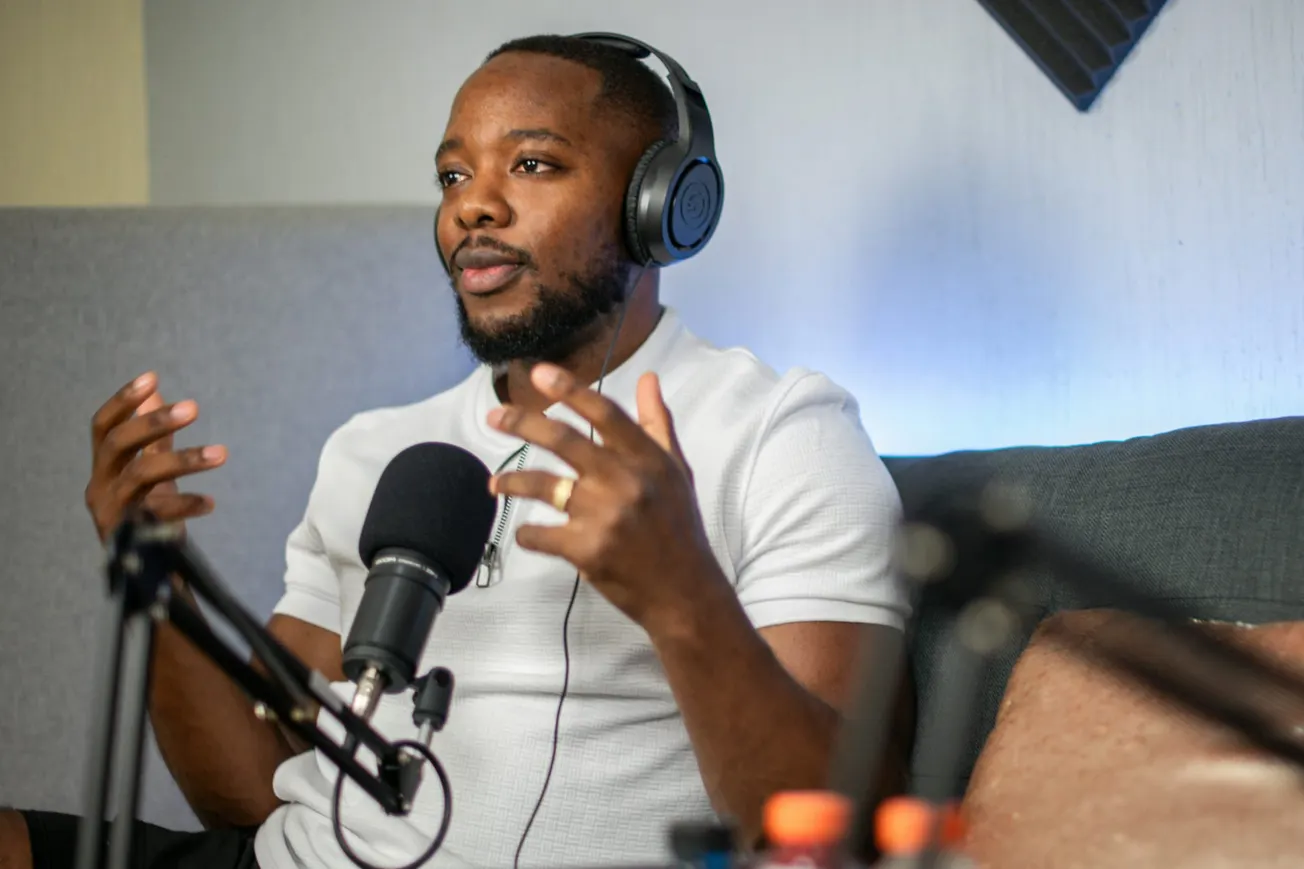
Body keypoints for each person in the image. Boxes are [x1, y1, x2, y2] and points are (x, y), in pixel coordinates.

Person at [0, 33, 913, 869]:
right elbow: (246, 791)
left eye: (531, 163)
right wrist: (162, 580)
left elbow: (836, 831)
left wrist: (681, 594)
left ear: (662, 204)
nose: (473, 204)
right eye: (450, 175)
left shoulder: (783, 433)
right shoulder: (378, 449)